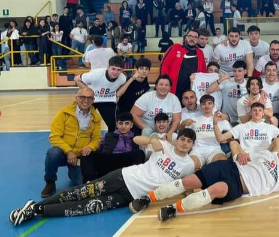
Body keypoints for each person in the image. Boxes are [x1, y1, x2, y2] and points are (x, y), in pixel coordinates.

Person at [10, 129, 197, 225]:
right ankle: (34, 207)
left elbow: (184, 184)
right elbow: (135, 140)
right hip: (123, 177)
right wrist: (152, 140)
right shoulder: (165, 146)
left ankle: (37, 210)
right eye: (182, 139)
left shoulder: (188, 164)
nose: (184, 143)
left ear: (192, 145)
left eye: (189, 141)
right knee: (80, 192)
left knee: (85, 208)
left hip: (130, 196)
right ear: (177, 139)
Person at [129, 137, 279, 222]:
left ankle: (173, 209)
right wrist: (241, 154)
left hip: (238, 185)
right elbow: (242, 153)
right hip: (229, 167)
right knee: (189, 181)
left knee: (217, 189)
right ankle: (148, 198)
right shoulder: (268, 154)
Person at [40, 87, 102, 197]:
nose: (86, 100)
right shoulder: (64, 113)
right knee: (53, 153)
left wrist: (90, 147)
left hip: (79, 157)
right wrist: (68, 151)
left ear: (93, 100)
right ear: (76, 98)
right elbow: (54, 136)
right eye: (82, 97)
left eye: (89, 98)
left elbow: (96, 138)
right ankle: (50, 182)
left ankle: (72, 171)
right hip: (63, 153)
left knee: (80, 183)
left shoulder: (96, 118)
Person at [80, 112, 145, 182]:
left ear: (131, 125)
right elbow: (99, 149)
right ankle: (90, 183)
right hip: (109, 160)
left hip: (126, 163)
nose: (123, 126)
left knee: (139, 153)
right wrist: (89, 149)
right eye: (120, 123)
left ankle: (136, 181)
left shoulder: (135, 138)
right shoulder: (109, 135)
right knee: (86, 154)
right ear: (117, 124)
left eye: (127, 123)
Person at [74, 56, 127, 132]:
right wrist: (89, 92)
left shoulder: (122, 79)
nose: (115, 72)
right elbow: (76, 79)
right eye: (113, 69)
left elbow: (118, 90)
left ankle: (111, 138)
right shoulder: (95, 74)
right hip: (91, 100)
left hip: (108, 101)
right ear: (108, 67)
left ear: (122, 70)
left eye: (119, 70)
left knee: (114, 126)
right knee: (84, 125)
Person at [160, 29, 207, 99]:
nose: (192, 39)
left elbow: (203, 71)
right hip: (174, 88)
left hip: (191, 90)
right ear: (186, 37)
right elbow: (164, 65)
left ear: (197, 40)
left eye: (195, 37)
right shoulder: (175, 47)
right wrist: (165, 83)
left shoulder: (200, 53)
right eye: (190, 36)